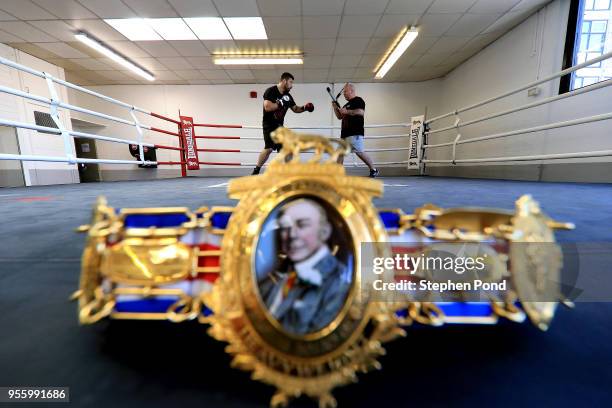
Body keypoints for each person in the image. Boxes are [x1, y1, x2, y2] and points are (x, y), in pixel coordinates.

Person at [258, 199, 351, 334]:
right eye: (285, 228)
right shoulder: (271, 282)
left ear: (324, 231)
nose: (291, 235)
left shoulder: (340, 283)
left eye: (302, 225)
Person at [252, 73, 314, 175]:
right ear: (284, 81)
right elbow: (267, 107)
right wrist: (280, 103)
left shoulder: (288, 96)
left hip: (279, 126)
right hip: (269, 125)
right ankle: (256, 170)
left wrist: (305, 108)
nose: (292, 85)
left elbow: (295, 109)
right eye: (290, 82)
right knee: (269, 149)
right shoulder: (271, 91)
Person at [332, 83, 378, 178]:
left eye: (345, 92)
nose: (344, 94)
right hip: (345, 134)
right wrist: (335, 108)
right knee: (340, 153)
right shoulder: (346, 104)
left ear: (351, 91)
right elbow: (340, 116)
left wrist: (347, 111)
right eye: (344, 92)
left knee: (359, 152)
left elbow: (360, 112)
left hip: (355, 132)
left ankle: (373, 169)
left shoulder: (358, 100)